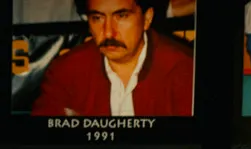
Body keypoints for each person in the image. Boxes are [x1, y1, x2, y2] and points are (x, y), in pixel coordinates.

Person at [31, 0, 194, 116]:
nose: (108, 32)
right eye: (97, 18)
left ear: (147, 19)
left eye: (122, 16)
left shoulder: (185, 69)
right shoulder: (64, 71)